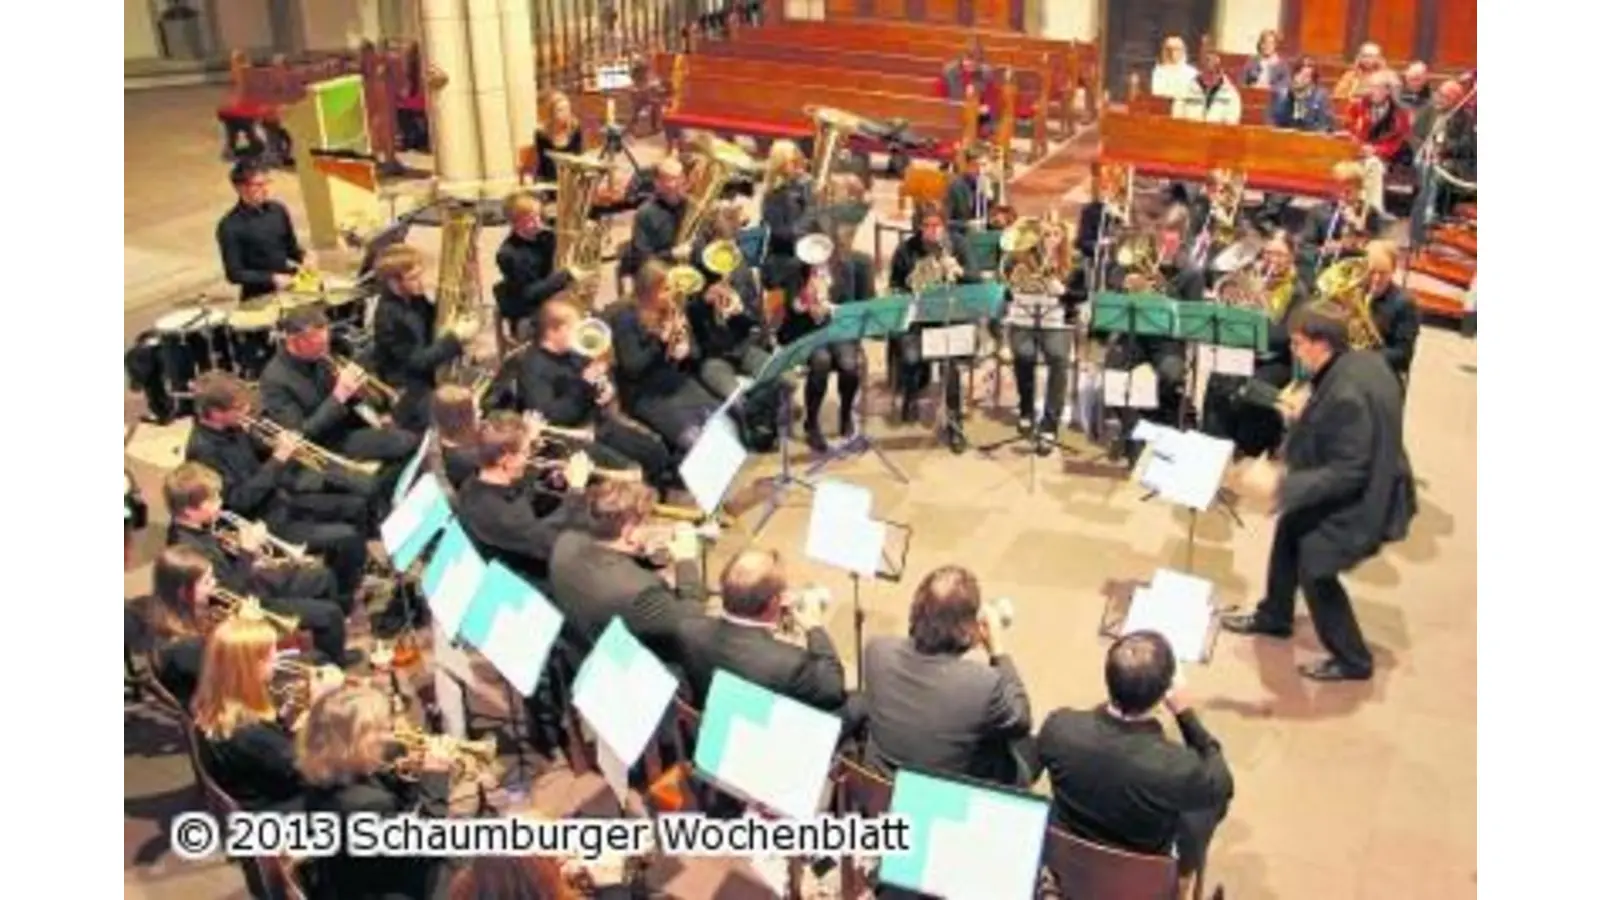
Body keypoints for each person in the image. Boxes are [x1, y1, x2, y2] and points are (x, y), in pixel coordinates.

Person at [1222, 301, 1416, 681]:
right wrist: (1305, 411)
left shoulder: (1345, 392)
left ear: (1320, 344)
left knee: (1317, 566)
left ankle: (1353, 659)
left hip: (1369, 495)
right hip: (1375, 470)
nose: (1293, 351)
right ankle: (1275, 615)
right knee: (1289, 531)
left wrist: (1281, 484)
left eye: (1297, 344)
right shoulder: (1362, 362)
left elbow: (1350, 470)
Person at [1036, 632, 1234, 884]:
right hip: (1137, 884)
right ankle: (1184, 876)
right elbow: (1222, 782)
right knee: (1206, 805)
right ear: (1166, 690)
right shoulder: (1177, 768)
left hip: (1068, 870)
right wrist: (1185, 714)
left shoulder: (1059, 729)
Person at [183, 373, 371, 606]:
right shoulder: (203, 452)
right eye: (239, 407)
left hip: (280, 498)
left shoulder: (235, 425)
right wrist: (278, 459)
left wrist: (279, 439)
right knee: (348, 538)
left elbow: (259, 452)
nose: (248, 410)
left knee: (356, 505)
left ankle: (344, 573)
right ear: (215, 413)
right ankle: (343, 601)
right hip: (264, 521)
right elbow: (240, 500)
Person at [856, 565, 1035, 787]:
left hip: (876, 795)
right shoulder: (982, 684)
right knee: (1019, 751)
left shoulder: (877, 650)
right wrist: (997, 649)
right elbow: (1022, 719)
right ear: (968, 628)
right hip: (937, 804)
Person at [163, 462, 355, 666]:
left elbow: (226, 565)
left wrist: (249, 556)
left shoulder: (201, 525)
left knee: (323, 577)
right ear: (190, 511)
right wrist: (247, 551)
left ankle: (330, 642)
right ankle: (334, 662)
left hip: (251, 581)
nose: (220, 503)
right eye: (212, 500)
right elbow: (229, 594)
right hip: (244, 605)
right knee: (329, 613)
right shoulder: (185, 550)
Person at [297, 684, 453, 900]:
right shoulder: (367, 804)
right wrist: (435, 778)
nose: (389, 736)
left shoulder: (321, 775)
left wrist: (406, 775)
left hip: (347, 875)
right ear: (356, 742)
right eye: (380, 730)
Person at [499, 298, 676, 486]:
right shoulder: (533, 368)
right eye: (574, 328)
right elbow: (550, 416)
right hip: (572, 438)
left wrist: (603, 390)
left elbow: (590, 388)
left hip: (597, 424)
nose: (580, 332)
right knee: (630, 468)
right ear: (554, 331)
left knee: (655, 451)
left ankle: (655, 494)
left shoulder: (574, 352)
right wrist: (583, 385)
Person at [547, 480, 706, 659]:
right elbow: (693, 621)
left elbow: (605, 559)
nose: (650, 525)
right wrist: (686, 561)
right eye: (647, 521)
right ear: (628, 530)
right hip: (621, 663)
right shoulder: (640, 591)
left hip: (577, 643)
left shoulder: (566, 541)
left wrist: (642, 553)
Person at [676, 548, 847, 713]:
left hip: (711, 716)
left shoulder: (689, 630)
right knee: (858, 703)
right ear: (774, 603)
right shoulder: (789, 662)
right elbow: (833, 690)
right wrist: (813, 626)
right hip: (764, 734)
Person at [191, 616, 331, 812]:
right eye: (272, 653)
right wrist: (318, 710)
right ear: (249, 667)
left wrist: (288, 715)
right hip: (277, 810)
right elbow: (313, 771)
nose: (277, 658)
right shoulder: (251, 734)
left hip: (255, 786)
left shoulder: (213, 706)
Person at [258, 305, 421, 472]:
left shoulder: (319, 355)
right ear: (295, 342)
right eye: (319, 345)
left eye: (326, 342)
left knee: (416, 419)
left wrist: (357, 393)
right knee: (406, 442)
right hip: (328, 442)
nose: (326, 350)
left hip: (351, 421)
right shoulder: (274, 381)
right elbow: (300, 436)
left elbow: (350, 401)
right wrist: (339, 396)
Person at [1201, 230, 1309, 458]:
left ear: (1291, 257)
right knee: (1218, 380)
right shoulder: (1253, 278)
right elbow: (1228, 314)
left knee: (1251, 388)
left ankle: (1250, 445)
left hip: (1276, 359)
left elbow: (1284, 336)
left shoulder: (1298, 291)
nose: (1272, 260)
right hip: (1245, 351)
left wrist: (1257, 316)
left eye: (1280, 254)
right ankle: (1212, 446)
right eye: (1269, 253)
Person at [456, 412, 590, 584]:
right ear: (506, 460)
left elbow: (521, 493)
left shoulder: (472, 483)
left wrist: (551, 481)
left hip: (526, 538)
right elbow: (550, 544)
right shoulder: (508, 515)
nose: (528, 458)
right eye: (525, 452)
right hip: (538, 572)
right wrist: (576, 490)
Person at [889, 203, 980, 453]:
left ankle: (954, 423)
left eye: (936, 225)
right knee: (910, 357)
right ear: (919, 227)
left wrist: (957, 270)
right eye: (926, 226)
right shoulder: (906, 250)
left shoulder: (958, 245)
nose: (931, 231)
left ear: (944, 225)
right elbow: (895, 286)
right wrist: (909, 293)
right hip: (918, 320)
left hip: (950, 317)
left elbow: (977, 280)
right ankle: (911, 392)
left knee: (951, 365)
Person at [368, 243, 481, 433]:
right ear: (393, 283)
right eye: (413, 278)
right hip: (408, 388)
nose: (421, 282)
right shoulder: (388, 316)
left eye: (421, 274)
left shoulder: (414, 297)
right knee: (454, 422)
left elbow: (434, 319)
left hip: (427, 374)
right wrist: (456, 337)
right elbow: (416, 361)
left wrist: (461, 300)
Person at [612, 261, 722, 451]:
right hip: (645, 395)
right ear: (648, 291)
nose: (672, 294)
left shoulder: (672, 310)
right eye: (666, 289)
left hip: (675, 382)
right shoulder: (625, 319)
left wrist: (687, 349)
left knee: (720, 420)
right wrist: (661, 342)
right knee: (693, 439)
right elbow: (633, 367)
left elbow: (696, 354)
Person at [782, 223, 873, 452]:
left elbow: (850, 304)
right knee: (821, 362)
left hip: (838, 328)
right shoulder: (796, 270)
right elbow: (791, 307)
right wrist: (806, 298)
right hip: (808, 331)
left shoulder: (844, 268)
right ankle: (811, 423)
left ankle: (845, 416)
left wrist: (829, 306)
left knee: (849, 365)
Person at [1000, 213, 1077, 449]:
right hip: (1024, 319)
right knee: (1023, 354)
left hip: (1056, 321)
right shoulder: (1023, 258)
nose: (1051, 239)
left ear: (1063, 237)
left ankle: (1050, 424)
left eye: (1056, 234)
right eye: (1046, 235)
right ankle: (1026, 410)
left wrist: (1063, 291)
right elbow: (1005, 292)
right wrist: (1015, 287)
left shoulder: (1074, 262)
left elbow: (1081, 296)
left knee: (1058, 357)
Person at [689, 205, 771, 399]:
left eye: (730, 245)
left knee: (785, 382)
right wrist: (703, 302)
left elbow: (756, 319)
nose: (724, 254)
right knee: (736, 399)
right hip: (712, 355)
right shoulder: (692, 273)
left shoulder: (739, 266)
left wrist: (741, 311)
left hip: (742, 347)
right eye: (718, 246)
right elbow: (685, 322)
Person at [494, 190, 590, 336]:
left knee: (592, 318)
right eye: (530, 219)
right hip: (527, 308)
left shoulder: (546, 237)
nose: (538, 223)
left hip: (553, 296)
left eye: (538, 216)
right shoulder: (508, 254)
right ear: (514, 223)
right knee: (568, 330)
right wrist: (566, 275)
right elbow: (529, 293)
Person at [216, 160, 309, 301]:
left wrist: (304, 256)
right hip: (259, 296)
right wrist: (271, 278)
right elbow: (234, 274)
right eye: (259, 185)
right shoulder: (230, 226)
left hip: (289, 288)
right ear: (241, 188)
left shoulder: (278, 210)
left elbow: (291, 248)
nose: (266, 189)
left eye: (267, 182)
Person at [146, 545, 215, 709]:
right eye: (207, 582)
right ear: (184, 592)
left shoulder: (164, 618)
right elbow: (228, 680)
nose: (214, 585)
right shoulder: (186, 647)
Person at [1297, 162, 1381, 280]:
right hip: (1324, 271)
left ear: (1359, 189)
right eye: (1338, 189)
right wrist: (1324, 250)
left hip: (1356, 275)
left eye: (1348, 191)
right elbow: (1305, 248)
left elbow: (1378, 252)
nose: (1342, 195)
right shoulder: (1318, 212)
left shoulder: (1370, 214)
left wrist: (1358, 225)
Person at [618, 156, 690, 288]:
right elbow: (642, 259)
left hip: (687, 274)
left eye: (680, 177)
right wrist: (673, 254)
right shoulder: (645, 213)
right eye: (670, 179)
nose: (677, 184)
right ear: (657, 183)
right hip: (657, 277)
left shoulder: (690, 206)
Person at [759, 139, 816, 294]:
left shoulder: (801, 188)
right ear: (781, 164)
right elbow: (779, 233)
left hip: (803, 252)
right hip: (783, 260)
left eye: (798, 160)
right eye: (793, 161)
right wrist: (809, 216)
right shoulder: (773, 195)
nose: (798, 165)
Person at [1362, 241, 1421, 389]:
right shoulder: (1356, 292)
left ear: (1393, 270)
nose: (1376, 279)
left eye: (1382, 273)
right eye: (1371, 271)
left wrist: (1366, 356)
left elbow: (1403, 355)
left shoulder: (1405, 304)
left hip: (1383, 379)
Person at [1346, 70, 1413, 168]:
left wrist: (1376, 150)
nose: (1371, 91)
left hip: (1386, 159)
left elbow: (1398, 141)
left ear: (1388, 91)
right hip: (1357, 152)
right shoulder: (1357, 106)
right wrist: (1358, 145)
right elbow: (1349, 128)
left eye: (1376, 87)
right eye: (1370, 86)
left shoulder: (1400, 114)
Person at [426, 384, 482, 493]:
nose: (480, 413)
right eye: (476, 411)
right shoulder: (467, 460)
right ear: (463, 421)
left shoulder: (436, 436)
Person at [939, 43, 997, 130]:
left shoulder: (986, 74)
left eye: (976, 61)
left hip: (977, 118)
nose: (971, 64)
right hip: (951, 114)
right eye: (968, 59)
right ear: (961, 58)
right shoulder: (949, 71)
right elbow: (941, 98)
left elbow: (991, 100)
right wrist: (957, 105)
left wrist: (985, 108)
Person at [943, 144, 996, 239]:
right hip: (964, 237)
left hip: (987, 235)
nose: (980, 170)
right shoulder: (956, 187)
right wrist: (967, 224)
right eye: (975, 165)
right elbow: (945, 221)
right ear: (967, 165)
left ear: (990, 165)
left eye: (984, 165)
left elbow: (999, 217)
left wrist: (990, 200)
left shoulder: (994, 185)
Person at [1173, 52, 1242, 124]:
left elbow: (1230, 125)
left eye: (1215, 72)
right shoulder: (1184, 90)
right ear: (1200, 69)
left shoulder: (1231, 95)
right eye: (1207, 71)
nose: (1211, 76)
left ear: (1221, 71)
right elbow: (1177, 119)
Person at [1270, 58, 1334, 132]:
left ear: (1312, 80)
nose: (1300, 79)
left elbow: (1326, 126)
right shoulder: (1284, 94)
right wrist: (1290, 97)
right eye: (1298, 74)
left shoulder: (1321, 96)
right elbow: (1275, 121)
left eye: (1306, 77)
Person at [533, 90, 583, 183]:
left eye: (567, 109)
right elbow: (543, 164)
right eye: (560, 110)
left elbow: (578, 157)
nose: (565, 113)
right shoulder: (541, 134)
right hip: (549, 179)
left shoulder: (575, 128)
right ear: (551, 113)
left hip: (571, 178)